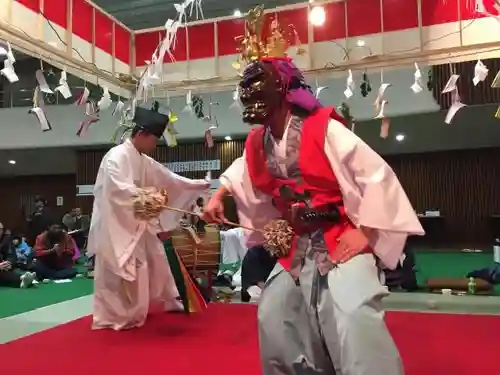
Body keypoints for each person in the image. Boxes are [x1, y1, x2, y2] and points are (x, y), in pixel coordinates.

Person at [203, 10, 424, 375]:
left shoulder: (323, 128)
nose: (249, 92)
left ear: (284, 88)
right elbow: (241, 171)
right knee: (275, 314)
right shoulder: (259, 140)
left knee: (353, 314)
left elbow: (375, 175)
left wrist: (365, 230)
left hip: (339, 234)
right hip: (298, 244)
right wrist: (217, 195)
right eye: (247, 85)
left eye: (260, 82)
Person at [87, 103, 210, 331]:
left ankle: (163, 300)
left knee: (154, 258)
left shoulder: (142, 159)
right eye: (154, 139)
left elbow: (168, 179)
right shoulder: (116, 157)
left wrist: (195, 185)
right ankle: (114, 315)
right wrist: (147, 197)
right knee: (122, 273)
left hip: (136, 223)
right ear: (142, 134)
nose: (155, 145)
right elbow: (117, 191)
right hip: (116, 226)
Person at [0, 223, 35, 288]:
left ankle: (23, 280)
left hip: (4, 268)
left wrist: (8, 264)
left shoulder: (6, 240)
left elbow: (11, 256)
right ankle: (22, 279)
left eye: (1, 229)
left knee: (10, 273)